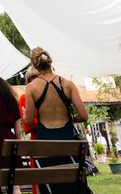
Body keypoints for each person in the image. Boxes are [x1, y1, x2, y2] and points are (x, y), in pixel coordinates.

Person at [23, 47, 88, 194]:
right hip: (67, 138)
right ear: (50, 62)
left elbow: (27, 120)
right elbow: (83, 116)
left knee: (51, 185)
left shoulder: (31, 88)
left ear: (34, 65)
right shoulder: (68, 84)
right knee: (73, 184)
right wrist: (71, 119)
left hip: (45, 140)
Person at [17, 66, 39, 194]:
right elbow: (30, 125)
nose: (35, 83)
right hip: (37, 142)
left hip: (52, 139)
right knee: (37, 176)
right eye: (31, 80)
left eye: (37, 78)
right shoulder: (24, 98)